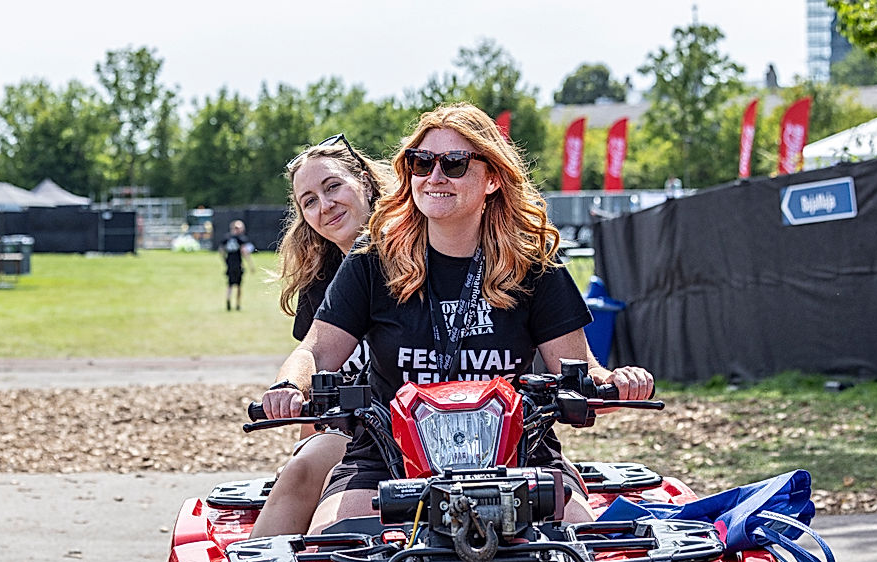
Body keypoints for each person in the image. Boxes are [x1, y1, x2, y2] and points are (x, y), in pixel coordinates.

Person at [261, 102, 653, 533]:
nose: (435, 176)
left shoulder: (534, 264)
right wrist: (288, 385)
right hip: (388, 455)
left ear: (492, 178)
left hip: (519, 454)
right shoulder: (372, 260)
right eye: (421, 162)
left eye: (454, 162)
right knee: (336, 544)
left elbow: (580, 372)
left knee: (579, 545)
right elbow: (315, 351)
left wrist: (618, 383)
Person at [249, 135, 392, 538]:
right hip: (361, 430)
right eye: (309, 201)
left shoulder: (422, 253)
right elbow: (315, 372)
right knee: (300, 472)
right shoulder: (320, 282)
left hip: (437, 424)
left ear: (364, 181)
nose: (324, 206)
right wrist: (302, 444)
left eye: (332, 187)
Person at [219, 220, 254, 310]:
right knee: (238, 285)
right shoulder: (240, 239)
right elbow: (244, 252)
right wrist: (250, 264)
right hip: (238, 264)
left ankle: (228, 298)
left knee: (230, 284)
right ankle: (238, 304)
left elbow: (221, 250)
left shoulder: (226, 238)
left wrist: (225, 260)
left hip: (229, 264)